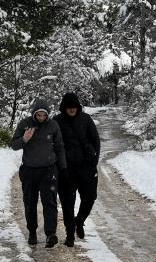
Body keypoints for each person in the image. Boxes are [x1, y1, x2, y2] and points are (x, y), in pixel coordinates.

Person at [10, 98, 67, 248]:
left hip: (49, 170)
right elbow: (13, 145)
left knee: (50, 202)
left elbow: (60, 147)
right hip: (29, 170)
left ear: (48, 114)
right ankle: (32, 232)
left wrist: (63, 168)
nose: (41, 118)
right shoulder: (25, 124)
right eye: (39, 115)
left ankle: (50, 234)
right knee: (30, 202)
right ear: (34, 113)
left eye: (44, 115)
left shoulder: (53, 125)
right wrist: (24, 139)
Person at [53, 92, 100, 246]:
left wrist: (93, 161)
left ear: (78, 107)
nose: (71, 109)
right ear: (64, 107)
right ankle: (70, 234)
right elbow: (52, 145)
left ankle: (79, 220)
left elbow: (95, 140)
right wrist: (59, 167)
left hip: (86, 167)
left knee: (90, 197)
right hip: (66, 169)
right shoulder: (57, 121)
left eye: (74, 106)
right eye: (69, 107)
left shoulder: (86, 119)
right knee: (67, 203)